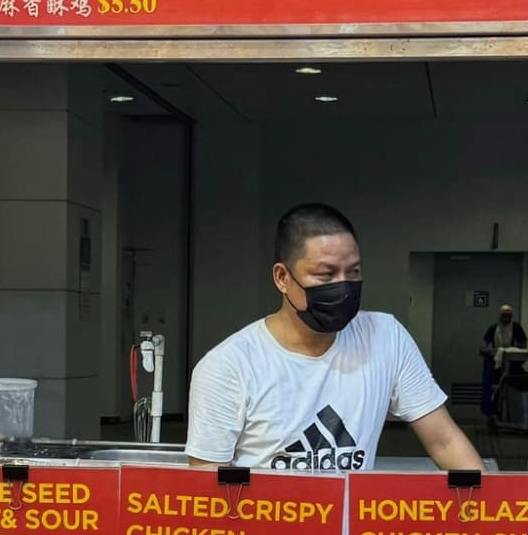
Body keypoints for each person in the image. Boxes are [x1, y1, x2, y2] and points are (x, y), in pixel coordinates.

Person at [185, 202, 484, 473]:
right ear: (282, 278)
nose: (343, 288)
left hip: (352, 532)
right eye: (325, 276)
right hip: (266, 531)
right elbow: (207, 489)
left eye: (352, 273)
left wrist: (493, 514)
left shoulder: (384, 338)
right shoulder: (228, 367)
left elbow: (444, 441)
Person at [480, 303, 527, 421]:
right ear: (499, 316)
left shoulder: (516, 328)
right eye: (504, 316)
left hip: (512, 365)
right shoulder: (493, 328)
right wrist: (491, 351)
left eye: (509, 316)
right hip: (495, 364)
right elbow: (485, 346)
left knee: (512, 388)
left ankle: (512, 415)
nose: (506, 319)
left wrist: (514, 351)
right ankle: (493, 414)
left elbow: (523, 345)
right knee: (493, 388)